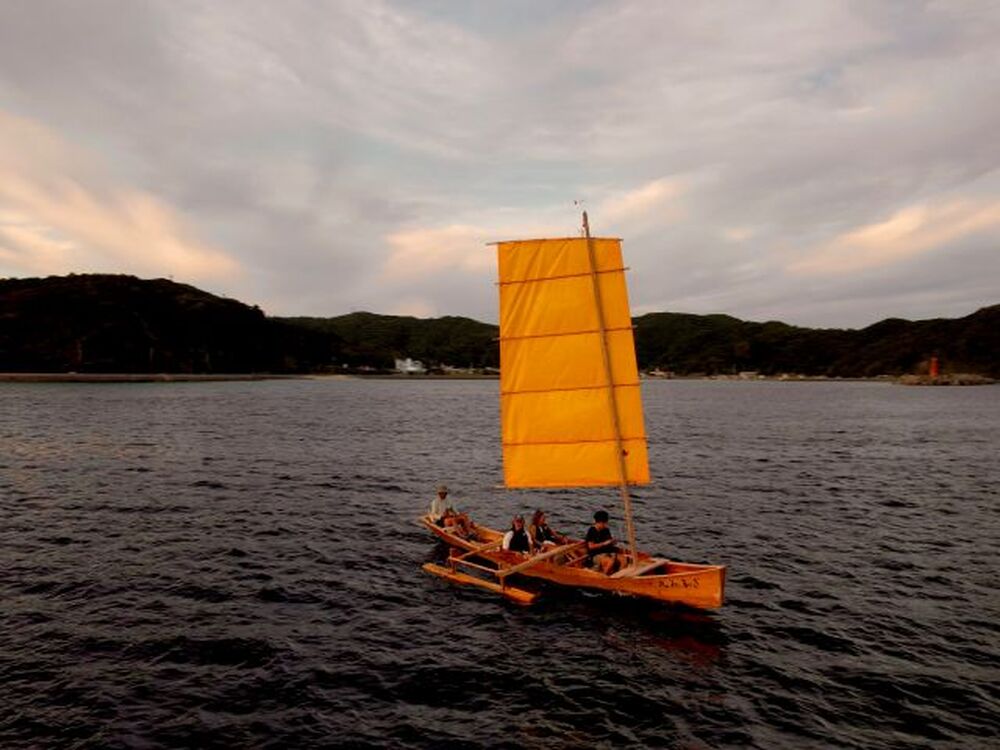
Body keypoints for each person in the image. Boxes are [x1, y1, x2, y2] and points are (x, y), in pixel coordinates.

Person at [585, 509, 621, 575]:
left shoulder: (606, 530)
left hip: (606, 552)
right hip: (595, 555)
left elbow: (609, 541)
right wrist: (604, 543)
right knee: (610, 562)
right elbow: (591, 546)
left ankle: (617, 574)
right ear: (600, 522)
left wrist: (612, 542)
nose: (606, 524)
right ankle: (603, 576)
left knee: (622, 559)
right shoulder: (592, 531)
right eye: (605, 523)